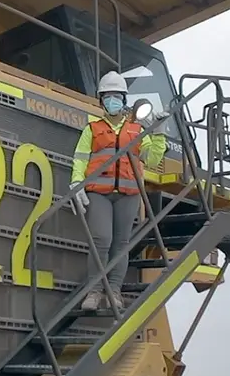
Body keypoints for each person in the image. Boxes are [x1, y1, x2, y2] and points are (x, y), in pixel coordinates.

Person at [69, 70, 168, 311]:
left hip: (128, 194)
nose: (112, 101)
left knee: (121, 244)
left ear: (123, 99)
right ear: (101, 101)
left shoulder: (136, 130)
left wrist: (158, 133)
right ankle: (94, 291)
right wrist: (76, 184)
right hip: (99, 193)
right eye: (107, 96)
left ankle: (114, 291)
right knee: (101, 240)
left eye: (116, 96)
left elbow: (152, 159)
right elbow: (80, 159)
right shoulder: (91, 129)